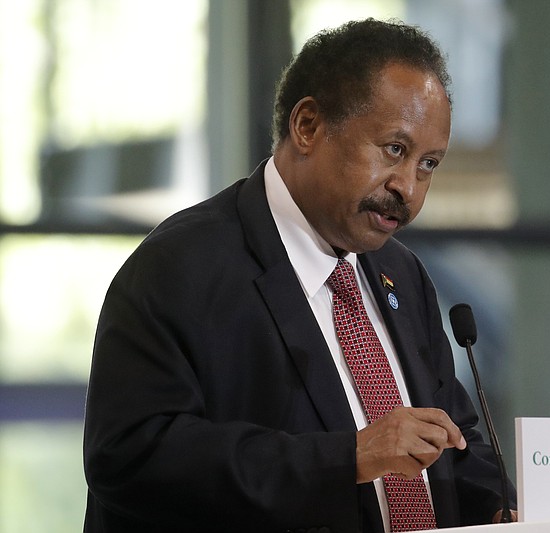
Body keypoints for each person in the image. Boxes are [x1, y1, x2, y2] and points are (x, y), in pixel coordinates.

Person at [83, 18, 516, 532]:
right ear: (308, 126)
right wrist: (347, 457)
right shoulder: (181, 267)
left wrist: (498, 504)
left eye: (428, 164)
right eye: (394, 150)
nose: (409, 188)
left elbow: (451, 436)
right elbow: (131, 456)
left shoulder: (402, 273)